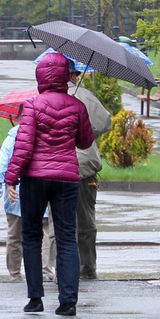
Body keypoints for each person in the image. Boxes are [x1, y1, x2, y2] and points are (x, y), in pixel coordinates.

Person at [5, 50, 95, 316]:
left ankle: (35, 298)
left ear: (41, 76)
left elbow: (24, 146)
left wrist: (12, 178)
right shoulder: (76, 105)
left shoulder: (33, 105)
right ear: (66, 76)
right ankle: (68, 301)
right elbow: (85, 141)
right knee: (67, 237)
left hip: (35, 178)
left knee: (31, 236)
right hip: (67, 178)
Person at [0, 103, 53, 280]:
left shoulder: (13, 137)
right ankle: (45, 272)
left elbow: (0, 166)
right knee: (44, 233)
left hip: (15, 194)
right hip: (43, 191)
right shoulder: (48, 134)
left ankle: (15, 274)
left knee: (15, 235)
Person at [68, 67, 113, 281]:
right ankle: (86, 267)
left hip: (51, 167)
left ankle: (61, 267)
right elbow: (105, 123)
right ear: (72, 75)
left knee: (57, 221)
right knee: (85, 220)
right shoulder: (83, 95)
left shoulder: (41, 96)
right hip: (82, 166)